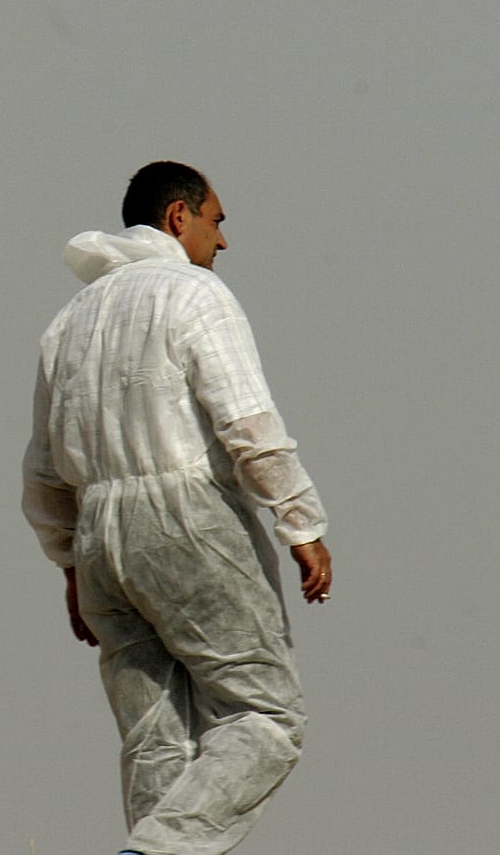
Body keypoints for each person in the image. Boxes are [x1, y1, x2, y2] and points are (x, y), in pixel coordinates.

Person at [20, 161, 334, 855]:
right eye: (217, 221)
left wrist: (72, 566)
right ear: (177, 218)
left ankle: (149, 847)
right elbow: (247, 422)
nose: (223, 243)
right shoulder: (194, 294)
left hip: (101, 539)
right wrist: (300, 520)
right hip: (189, 518)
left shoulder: (71, 317)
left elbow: (43, 471)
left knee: (155, 735)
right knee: (265, 717)